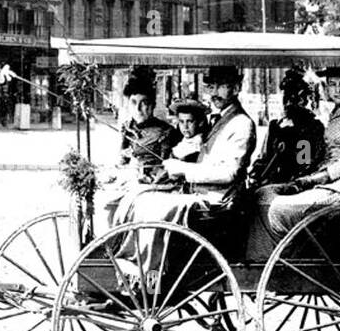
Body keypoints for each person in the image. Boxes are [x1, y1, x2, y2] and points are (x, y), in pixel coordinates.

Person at [109, 65, 256, 268]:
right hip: (204, 194)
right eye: (211, 86)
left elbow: (230, 172)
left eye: (221, 86)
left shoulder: (241, 123)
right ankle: (138, 263)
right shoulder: (222, 119)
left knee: (151, 206)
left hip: (217, 201)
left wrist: (183, 169)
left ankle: (147, 272)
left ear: (237, 87)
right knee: (143, 199)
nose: (214, 93)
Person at [250, 69, 340, 258]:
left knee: (276, 207)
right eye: (332, 84)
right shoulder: (335, 114)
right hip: (328, 179)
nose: (338, 90)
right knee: (262, 194)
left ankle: (281, 260)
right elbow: (266, 156)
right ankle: (264, 257)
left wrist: (310, 179)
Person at [249, 68, 325, 187]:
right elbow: (264, 158)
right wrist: (255, 175)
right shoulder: (275, 126)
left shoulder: (311, 128)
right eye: (286, 97)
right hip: (270, 181)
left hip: (295, 185)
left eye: (295, 98)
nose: (289, 102)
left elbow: (305, 163)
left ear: (304, 100)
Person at [117, 68, 179, 183]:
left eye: (144, 103)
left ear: (153, 105)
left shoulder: (166, 131)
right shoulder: (127, 129)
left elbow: (170, 167)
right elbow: (122, 162)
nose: (138, 109)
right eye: (134, 102)